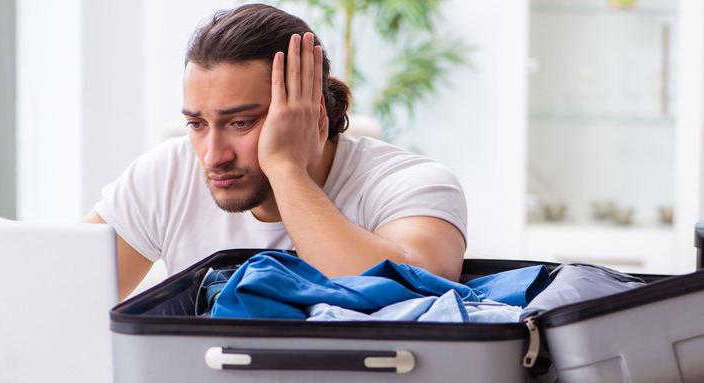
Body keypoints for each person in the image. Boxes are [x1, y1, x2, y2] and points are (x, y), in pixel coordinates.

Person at [83, 3, 467, 301]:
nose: (212, 156)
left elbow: (414, 298)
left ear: (312, 114)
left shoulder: (414, 185)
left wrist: (286, 168)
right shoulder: (165, 174)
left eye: (241, 123)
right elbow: (58, 295)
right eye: (197, 124)